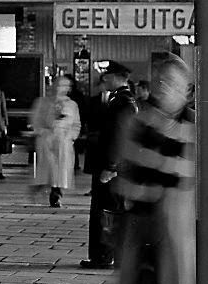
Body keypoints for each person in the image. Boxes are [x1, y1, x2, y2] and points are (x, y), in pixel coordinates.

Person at [115, 55, 196, 284]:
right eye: (160, 82)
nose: (164, 89)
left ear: (186, 90)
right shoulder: (139, 122)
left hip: (177, 229)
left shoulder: (194, 126)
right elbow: (131, 178)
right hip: (149, 228)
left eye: (172, 84)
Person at [81, 61, 137, 269]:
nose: (104, 79)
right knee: (109, 210)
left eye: (107, 76)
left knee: (106, 212)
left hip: (112, 169)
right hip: (112, 167)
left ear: (117, 77)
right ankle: (109, 255)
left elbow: (119, 138)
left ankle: (104, 256)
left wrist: (111, 167)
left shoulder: (123, 103)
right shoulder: (119, 100)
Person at [30, 74, 81, 207]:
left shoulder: (72, 105)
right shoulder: (43, 102)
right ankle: (41, 188)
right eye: (59, 85)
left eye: (64, 86)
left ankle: (56, 194)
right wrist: (43, 132)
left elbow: (76, 124)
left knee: (61, 171)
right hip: (47, 140)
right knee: (49, 169)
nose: (60, 88)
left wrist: (71, 136)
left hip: (63, 141)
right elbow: (36, 121)